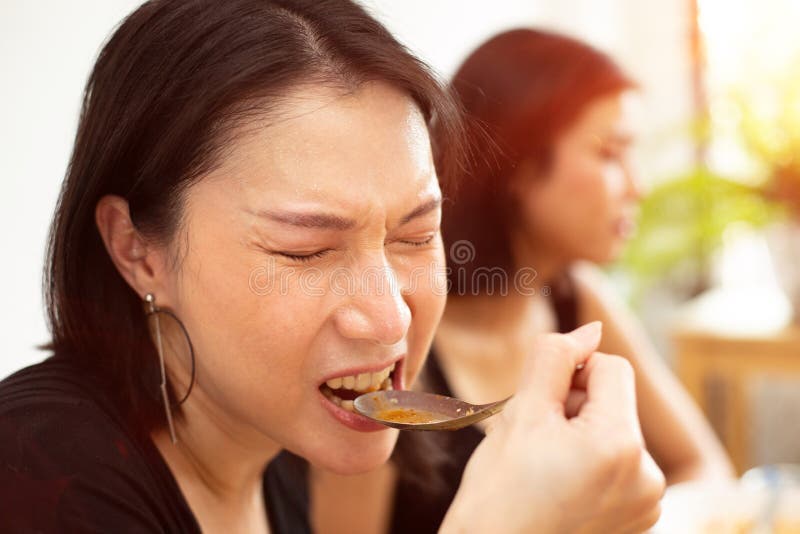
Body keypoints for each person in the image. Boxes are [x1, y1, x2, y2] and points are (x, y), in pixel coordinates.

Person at [0, 3, 664, 533]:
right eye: (306, 250)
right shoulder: (34, 470)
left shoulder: (279, 447)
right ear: (136, 249)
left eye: (416, 235)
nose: (390, 317)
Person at [313, 29, 734, 534]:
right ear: (517, 163)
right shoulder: (389, 349)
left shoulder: (578, 300)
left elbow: (709, 472)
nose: (637, 187)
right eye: (608, 153)